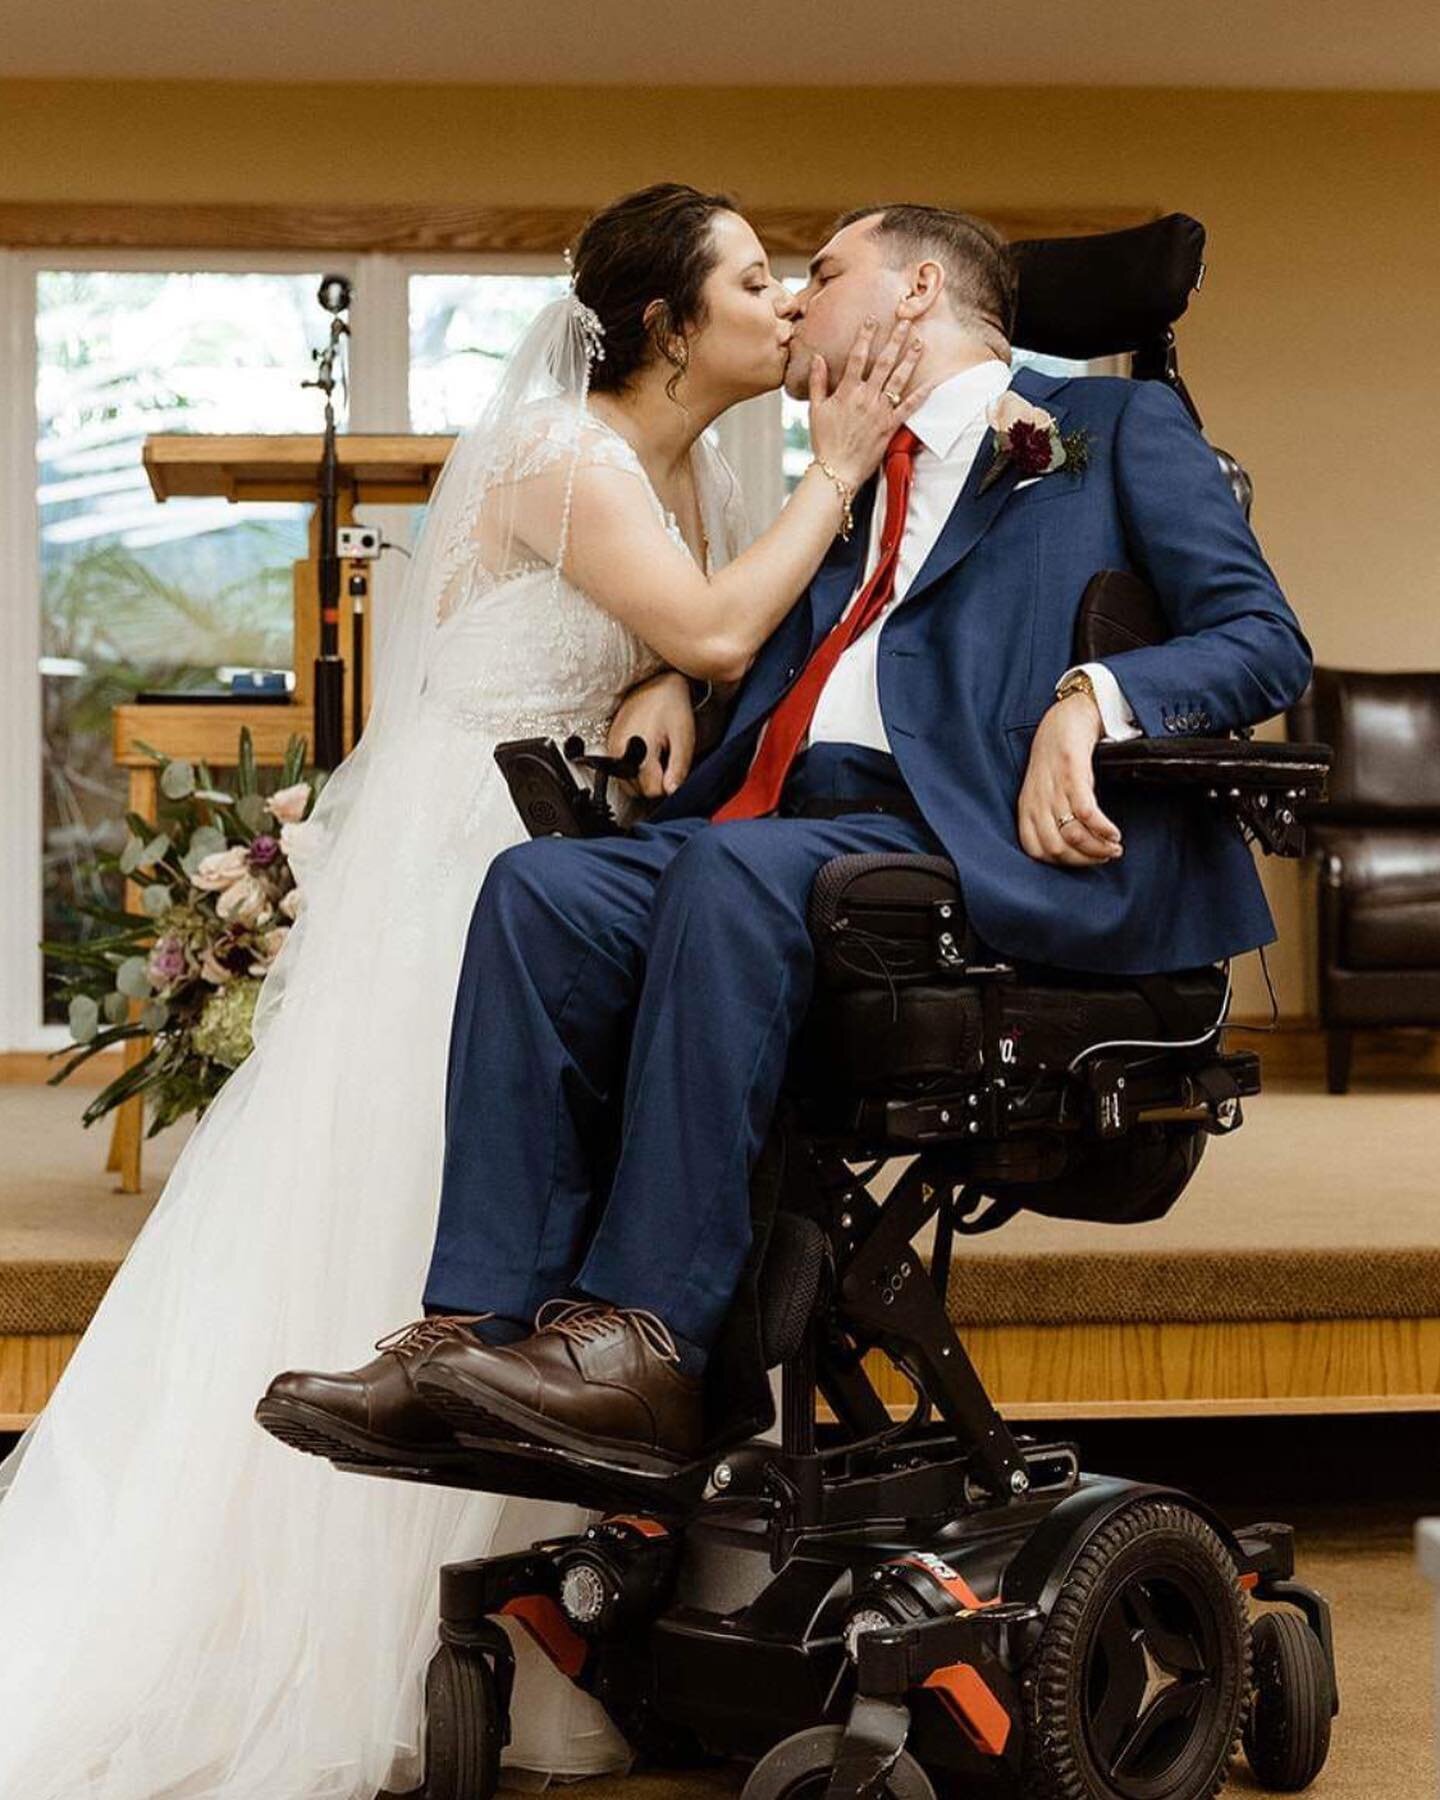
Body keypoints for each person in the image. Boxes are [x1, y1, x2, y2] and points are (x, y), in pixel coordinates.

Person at [0, 184, 931, 1800]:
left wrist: (649, 670)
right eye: (755, 281)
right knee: (423, 1195)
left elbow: (673, 638)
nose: (785, 309)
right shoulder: (562, 454)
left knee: (566, 1209)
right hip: (469, 855)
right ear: (666, 325)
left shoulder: (690, 463)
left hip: (571, 850)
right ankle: (362, 1618)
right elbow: (717, 625)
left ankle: (559, 1599)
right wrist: (835, 480)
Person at [278, 201, 1314, 1473]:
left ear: (919, 291)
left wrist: (1093, 699)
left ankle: (644, 1345)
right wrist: (673, 677)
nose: (796, 307)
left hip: (956, 844)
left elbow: (1264, 643)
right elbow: (754, 640)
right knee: (542, 886)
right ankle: (472, 1336)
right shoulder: (842, 467)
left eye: (821, 275)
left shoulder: (1108, 431)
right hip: (783, 826)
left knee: (732, 868)